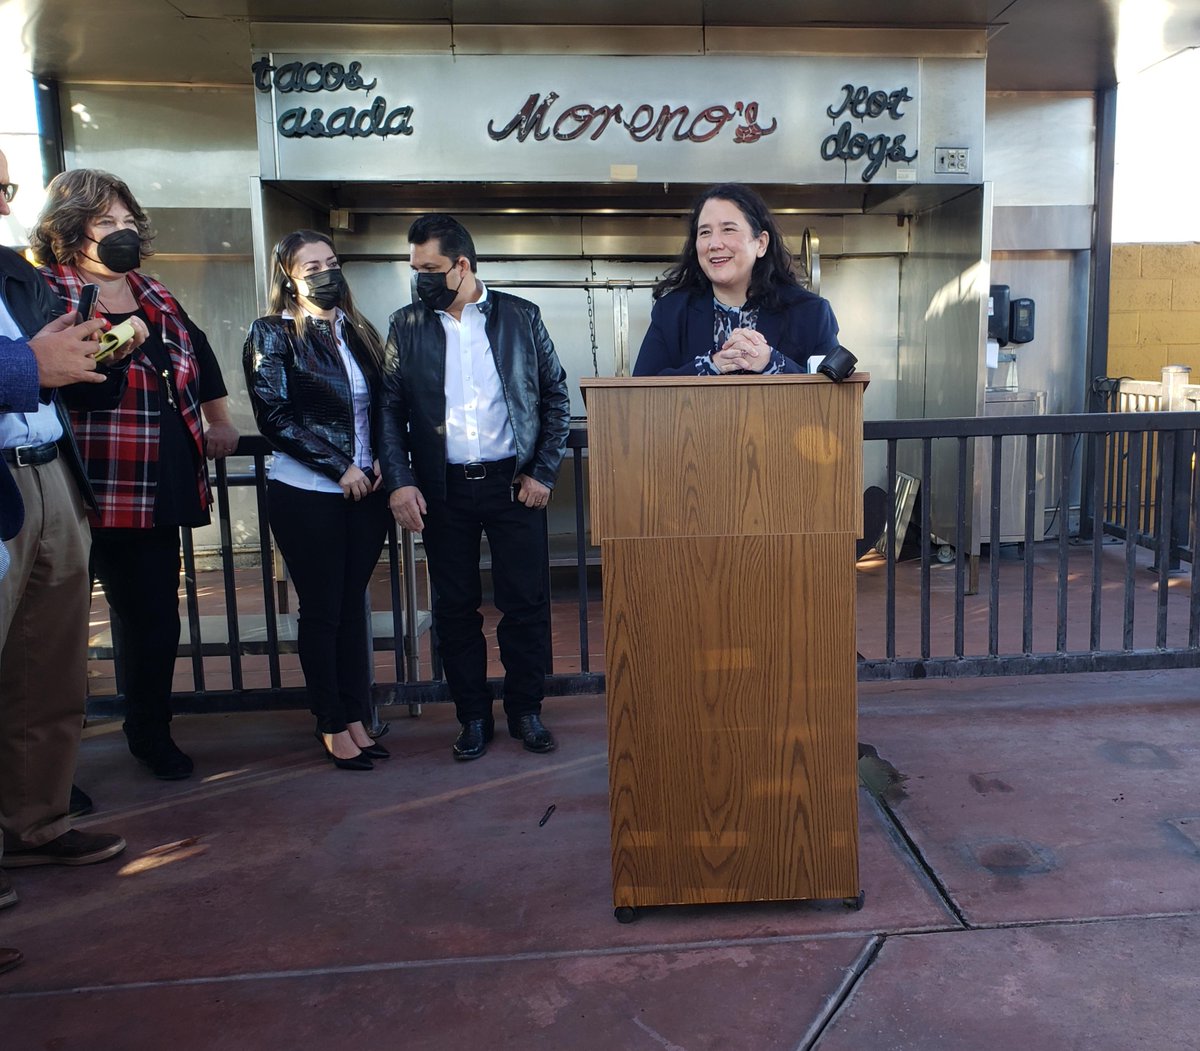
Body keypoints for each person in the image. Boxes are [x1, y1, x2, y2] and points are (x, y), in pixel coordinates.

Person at [32, 169, 239, 781]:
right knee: (52, 633)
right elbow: (51, 380)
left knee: (153, 620)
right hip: (80, 485)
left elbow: (198, 353)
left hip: (156, 484)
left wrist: (218, 419)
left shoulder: (153, 290)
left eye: (127, 221)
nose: (121, 233)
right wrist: (113, 350)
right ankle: (47, 775)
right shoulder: (46, 292)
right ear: (70, 231)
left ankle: (149, 732)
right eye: (104, 223)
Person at [0, 153, 136, 935]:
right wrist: (28, 364)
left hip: (52, 473)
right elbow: (30, 365)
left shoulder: (19, 279)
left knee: (48, 669)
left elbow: (69, 370)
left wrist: (103, 354)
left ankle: (35, 824)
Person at [378, 214, 570, 761]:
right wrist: (400, 481)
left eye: (431, 269)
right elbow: (389, 411)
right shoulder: (406, 324)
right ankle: (472, 718)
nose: (421, 279)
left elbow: (555, 396)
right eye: (415, 269)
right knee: (455, 610)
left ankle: (526, 711)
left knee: (526, 604)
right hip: (443, 490)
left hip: (514, 486)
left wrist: (544, 471)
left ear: (463, 266)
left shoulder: (520, 317)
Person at [243, 230, 391, 771]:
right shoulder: (272, 333)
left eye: (331, 262)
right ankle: (329, 721)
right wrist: (341, 466)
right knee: (323, 611)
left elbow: (381, 406)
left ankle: (356, 714)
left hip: (365, 493)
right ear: (289, 276)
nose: (326, 272)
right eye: (312, 266)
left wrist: (378, 460)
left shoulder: (361, 332)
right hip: (308, 494)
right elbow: (275, 417)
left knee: (352, 608)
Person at [633, 183, 841, 377]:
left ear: (760, 243)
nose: (714, 244)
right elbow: (640, 393)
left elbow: (834, 396)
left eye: (728, 229)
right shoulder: (670, 312)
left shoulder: (811, 312)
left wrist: (773, 362)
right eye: (705, 232)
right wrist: (710, 366)